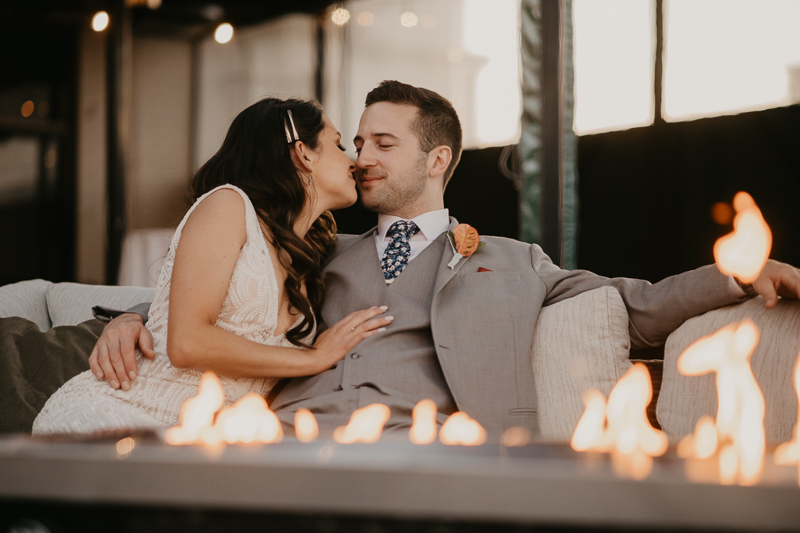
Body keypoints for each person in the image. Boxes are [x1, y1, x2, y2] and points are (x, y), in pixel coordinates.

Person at [88, 81, 800, 436]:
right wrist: (128, 320)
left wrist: (740, 272)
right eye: (356, 143)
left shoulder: (513, 259)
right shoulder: (315, 248)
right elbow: (210, 294)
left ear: (438, 160)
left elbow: (635, 302)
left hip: (421, 452)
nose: (361, 158)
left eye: (383, 145)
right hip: (283, 446)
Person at [32, 98, 393, 435]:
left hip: (209, 436)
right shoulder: (229, 206)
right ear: (303, 153)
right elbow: (187, 343)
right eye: (340, 145)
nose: (355, 162)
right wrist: (314, 358)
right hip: (125, 408)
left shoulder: (316, 254)